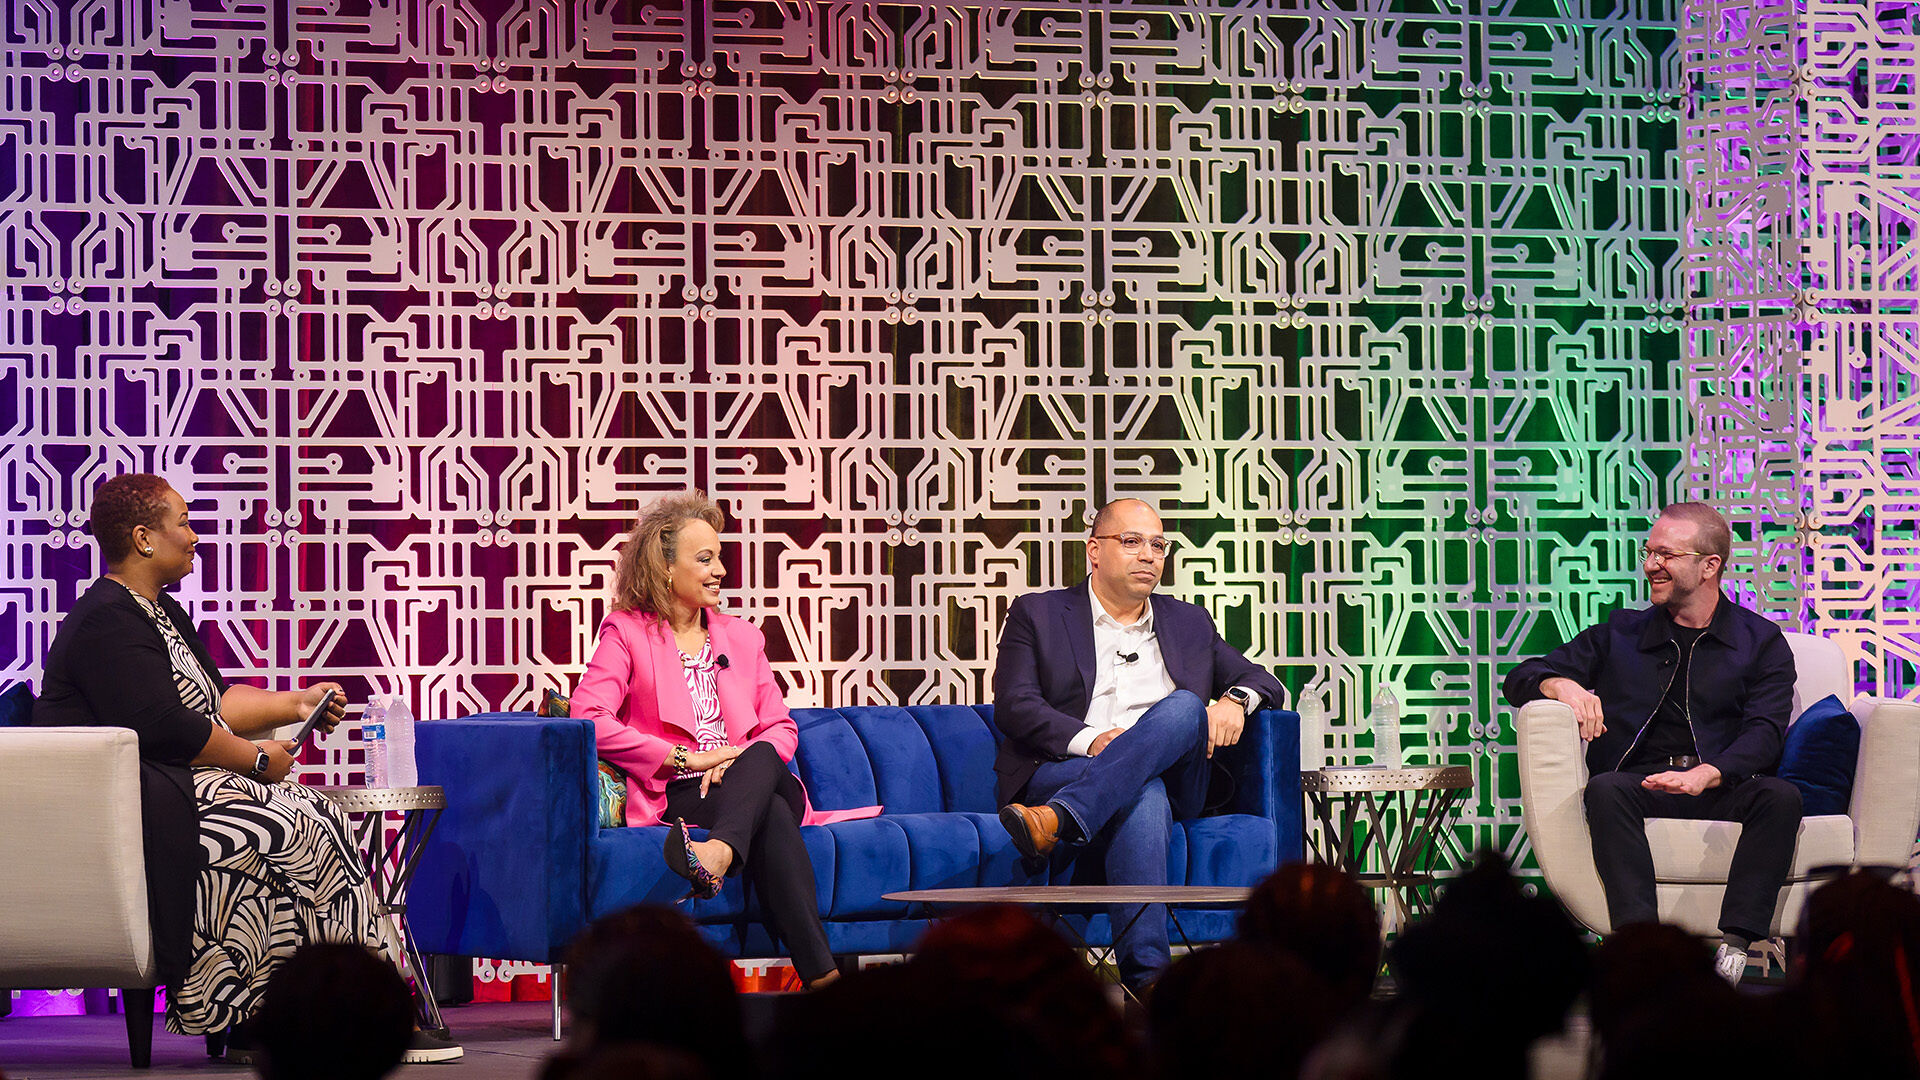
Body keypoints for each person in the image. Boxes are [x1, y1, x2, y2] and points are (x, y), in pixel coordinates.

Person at [31, 474, 459, 1062]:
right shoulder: (106, 617)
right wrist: (257, 760)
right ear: (143, 538)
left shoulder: (161, 613)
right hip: (133, 805)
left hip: (174, 785)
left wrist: (296, 702)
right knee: (273, 826)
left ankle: (339, 1013)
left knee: (314, 814)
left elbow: (211, 700)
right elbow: (164, 726)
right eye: (182, 522)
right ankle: (255, 1013)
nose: (195, 536)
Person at [571, 491, 877, 989]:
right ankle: (825, 983)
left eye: (720, 558)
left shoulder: (743, 637)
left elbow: (780, 728)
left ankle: (717, 854)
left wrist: (735, 758)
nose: (719, 571)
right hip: (685, 791)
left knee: (759, 757)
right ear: (665, 568)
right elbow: (590, 717)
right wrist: (684, 757)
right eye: (705, 559)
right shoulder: (627, 633)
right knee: (773, 817)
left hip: (755, 776)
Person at [990, 497, 1283, 990]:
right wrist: (1092, 740)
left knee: (1187, 706)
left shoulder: (1189, 622)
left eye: (1158, 545)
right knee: (1142, 794)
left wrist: (1234, 699)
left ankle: (1058, 820)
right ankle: (1148, 983)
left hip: (1178, 779)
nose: (1149, 555)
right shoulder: (1037, 614)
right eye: (1132, 542)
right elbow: (1015, 703)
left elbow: (1264, 680)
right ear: (1094, 551)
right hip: (1071, 767)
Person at [1503, 501, 1801, 983]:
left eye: (1665, 554)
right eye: (1649, 552)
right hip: (1642, 784)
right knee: (1605, 789)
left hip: (1720, 785)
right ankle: (1639, 950)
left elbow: (1766, 731)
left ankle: (1735, 946)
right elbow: (1521, 676)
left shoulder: (1760, 641)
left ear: (1710, 566)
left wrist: (1711, 772)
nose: (1650, 565)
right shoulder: (1620, 633)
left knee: (1781, 796)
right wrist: (1563, 685)